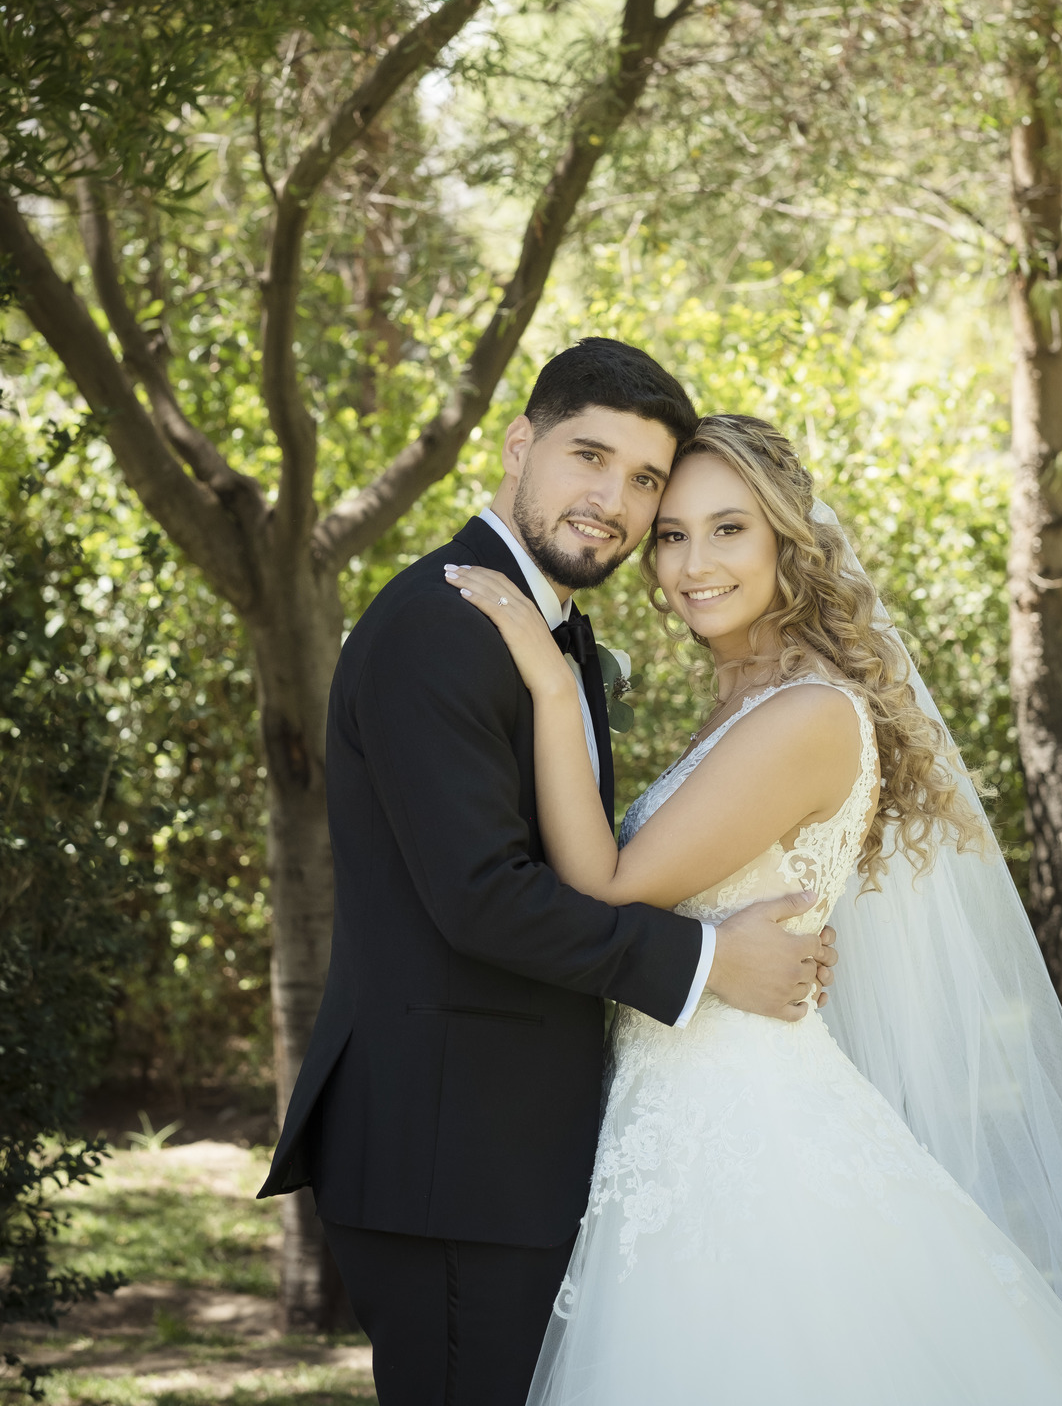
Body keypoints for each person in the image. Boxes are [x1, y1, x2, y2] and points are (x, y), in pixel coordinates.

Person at [447, 411, 1062, 1406]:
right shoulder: (745, 707)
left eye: (729, 530)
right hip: (679, 1117)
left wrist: (547, 681)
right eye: (670, 534)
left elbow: (605, 889)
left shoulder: (806, 714)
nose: (690, 563)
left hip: (747, 1141)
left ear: (786, 544)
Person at [257, 344, 837, 1406]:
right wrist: (710, 961)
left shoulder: (544, 635)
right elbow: (485, 897)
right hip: (450, 1165)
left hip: (502, 1156)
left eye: (644, 481)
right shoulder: (444, 625)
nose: (613, 502)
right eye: (589, 457)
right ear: (520, 444)